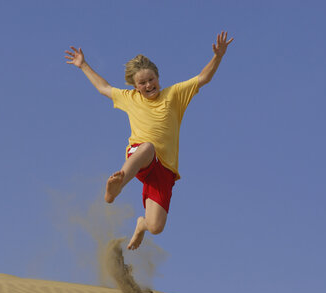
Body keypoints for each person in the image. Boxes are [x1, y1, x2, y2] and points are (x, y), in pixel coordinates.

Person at [65, 31, 233, 250]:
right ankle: (116, 187)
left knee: (156, 227)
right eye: (142, 83)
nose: (148, 85)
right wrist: (83, 64)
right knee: (147, 148)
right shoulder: (130, 98)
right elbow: (103, 88)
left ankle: (141, 225)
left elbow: (203, 78)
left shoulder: (174, 95)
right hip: (140, 156)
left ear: (158, 77)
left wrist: (218, 57)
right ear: (135, 86)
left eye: (151, 79)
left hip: (165, 169)